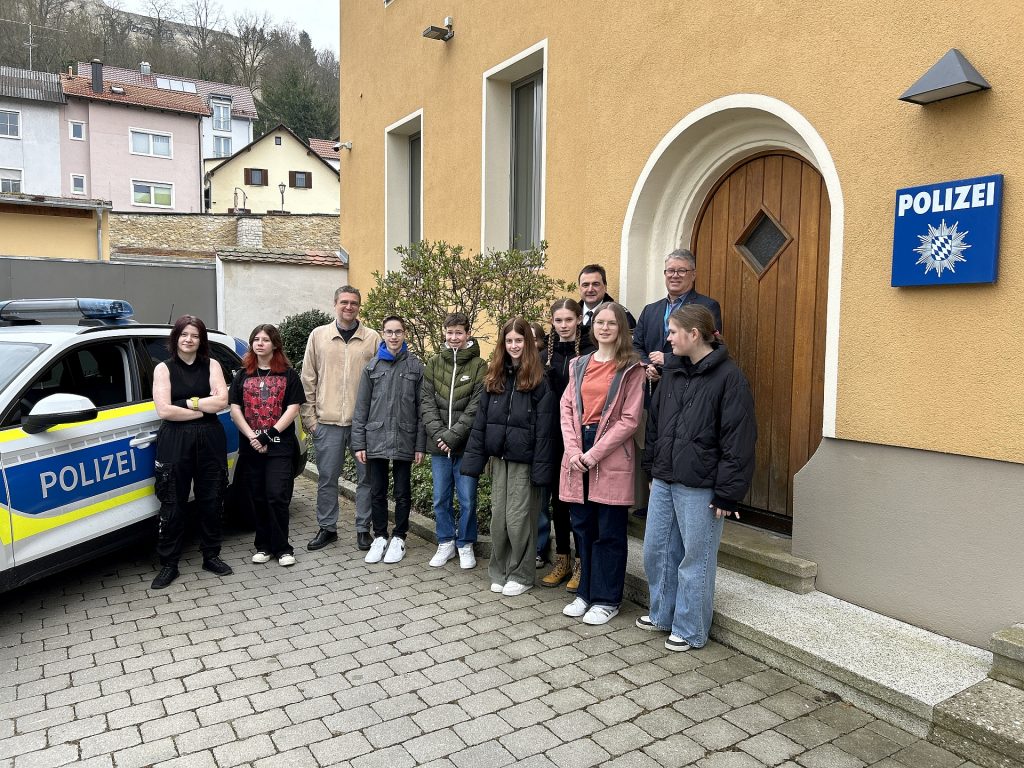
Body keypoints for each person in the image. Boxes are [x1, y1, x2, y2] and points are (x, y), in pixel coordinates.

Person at [639, 305, 756, 651]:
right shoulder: (673, 373)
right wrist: (653, 468)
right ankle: (662, 614)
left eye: (673, 331)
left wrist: (727, 494)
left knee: (695, 558)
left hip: (701, 486)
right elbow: (657, 424)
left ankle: (689, 629)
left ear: (694, 334)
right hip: (665, 479)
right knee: (657, 551)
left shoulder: (730, 378)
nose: (668, 338)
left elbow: (739, 438)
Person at [559, 302, 644, 625]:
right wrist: (573, 450)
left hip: (608, 453)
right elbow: (567, 408)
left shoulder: (631, 368)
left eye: (611, 323)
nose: (605, 327)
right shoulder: (578, 364)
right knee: (583, 527)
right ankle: (586, 592)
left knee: (609, 530)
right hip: (577, 451)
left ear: (621, 328)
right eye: (599, 322)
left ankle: (607, 598)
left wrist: (592, 454)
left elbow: (629, 419)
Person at [461, 317, 555, 596]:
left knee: (519, 521)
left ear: (528, 343)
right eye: (509, 340)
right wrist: (474, 461)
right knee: (499, 519)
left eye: (519, 340)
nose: (514, 345)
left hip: (525, 463)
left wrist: (541, 470)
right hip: (499, 460)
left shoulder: (540, 379)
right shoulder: (495, 376)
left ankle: (522, 575)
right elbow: (481, 422)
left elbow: (546, 430)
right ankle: (499, 571)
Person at [150, 315, 231, 590]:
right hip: (175, 441)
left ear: (201, 340)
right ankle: (169, 564)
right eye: (184, 334)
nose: (189, 339)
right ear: (176, 337)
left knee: (212, 499)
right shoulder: (164, 368)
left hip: (210, 439)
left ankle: (211, 555)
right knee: (172, 503)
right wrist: (201, 407)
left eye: (195, 335)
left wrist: (185, 402)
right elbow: (164, 410)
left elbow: (221, 401)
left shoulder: (213, 365)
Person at [300, 286, 381, 552]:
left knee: (366, 479)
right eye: (344, 302)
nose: (349, 307)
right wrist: (309, 418)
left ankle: (362, 530)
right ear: (335, 304)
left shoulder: (372, 339)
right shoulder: (319, 336)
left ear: (360, 306)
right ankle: (327, 528)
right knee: (327, 478)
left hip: (363, 426)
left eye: (354, 303)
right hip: (328, 422)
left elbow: (382, 381)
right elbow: (308, 378)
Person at [352, 316, 426, 564]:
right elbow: (361, 409)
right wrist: (359, 443)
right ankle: (380, 536)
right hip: (376, 438)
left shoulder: (415, 367)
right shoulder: (372, 368)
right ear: (383, 334)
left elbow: (422, 409)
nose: (393, 336)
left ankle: (399, 537)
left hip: (405, 437)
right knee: (377, 491)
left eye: (398, 332)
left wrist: (420, 445)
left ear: (405, 334)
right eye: (389, 332)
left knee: (403, 491)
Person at [229, 324, 304, 567]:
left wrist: (267, 436)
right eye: (256, 339)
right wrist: (253, 436)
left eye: (266, 339)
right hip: (250, 446)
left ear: (275, 345)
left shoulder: (288, 375)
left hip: (280, 447)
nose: (260, 343)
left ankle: (283, 548)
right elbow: (235, 410)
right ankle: (263, 546)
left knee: (276, 496)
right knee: (258, 498)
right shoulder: (242, 375)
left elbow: (293, 409)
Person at [420, 312, 488, 570]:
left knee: (468, 498)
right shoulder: (434, 363)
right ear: (444, 334)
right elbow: (426, 402)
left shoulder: (479, 366)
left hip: (467, 446)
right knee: (440, 497)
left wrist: (452, 436)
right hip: (439, 447)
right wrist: (440, 436)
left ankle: (465, 543)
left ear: (468, 334)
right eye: (449, 333)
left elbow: (476, 407)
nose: (454, 337)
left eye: (459, 333)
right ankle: (446, 541)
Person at [539, 298, 595, 590]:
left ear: (578, 320)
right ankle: (562, 558)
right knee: (558, 501)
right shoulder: (543, 354)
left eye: (569, 320)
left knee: (579, 502)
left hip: (579, 437)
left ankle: (582, 564)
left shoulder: (590, 352)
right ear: (552, 322)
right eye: (558, 321)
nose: (563, 326)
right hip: (552, 437)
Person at [633, 249, 722, 388]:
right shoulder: (650, 310)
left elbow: (709, 346)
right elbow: (636, 346)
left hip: (687, 386)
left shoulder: (707, 306)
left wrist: (667, 360)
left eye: (681, 271)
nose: (675, 276)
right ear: (665, 274)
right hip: (652, 388)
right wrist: (649, 366)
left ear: (693, 275)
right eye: (670, 270)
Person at [578, 264, 636, 331]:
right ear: (579, 288)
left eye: (595, 284)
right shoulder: (572, 314)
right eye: (585, 285)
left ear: (605, 287)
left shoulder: (622, 315)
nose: (590, 289)